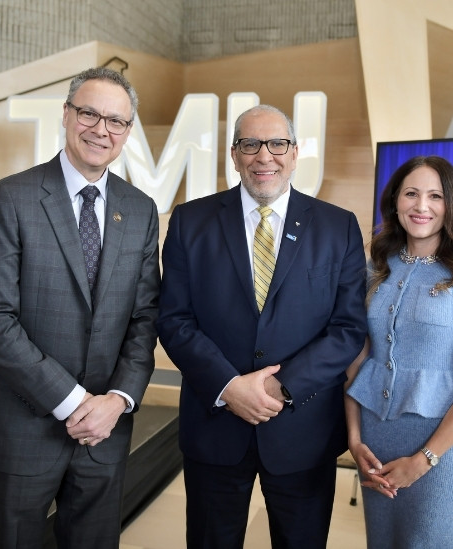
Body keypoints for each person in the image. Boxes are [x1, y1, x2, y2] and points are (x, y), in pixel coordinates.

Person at [0, 67, 160, 548]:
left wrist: (117, 401)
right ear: (67, 115)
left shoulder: (139, 209)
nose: (101, 129)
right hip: (21, 426)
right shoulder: (12, 197)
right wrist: (75, 402)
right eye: (89, 113)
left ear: (128, 132)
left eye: (116, 121)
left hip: (106, 431)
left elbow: (144, 318)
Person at [156, 104, 367, 549]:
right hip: (215, 426)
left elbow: (347, 328)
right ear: (234, 154)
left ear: (294, 153)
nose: (263, 156)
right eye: (250, 144)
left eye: (276, 144)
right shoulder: (190, 222)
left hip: (302, 431)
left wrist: (279, 388)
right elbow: (175, 320)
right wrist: (229, 386)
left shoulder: (338, 227)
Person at [344, 155, 453, 548]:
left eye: (435, 196)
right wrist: (353, 437)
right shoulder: (376, 265)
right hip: (375, 441)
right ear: (395, 201)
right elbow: (357, 361)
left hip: (440, 450)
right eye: (411, 193)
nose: (421, 206)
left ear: (452, 204)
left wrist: (422, 461)